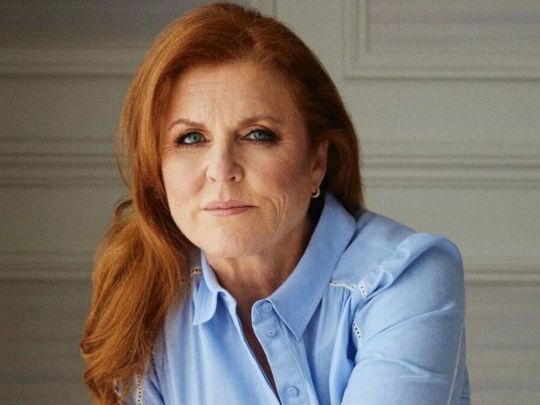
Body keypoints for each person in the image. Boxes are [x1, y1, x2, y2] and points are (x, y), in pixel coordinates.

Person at [81, 3, 470, 404]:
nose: (222, 170)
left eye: (257, 135)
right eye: (191, 138)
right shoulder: (142, 295)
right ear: (157, 168)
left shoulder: (405, 276)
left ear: (317, 161)